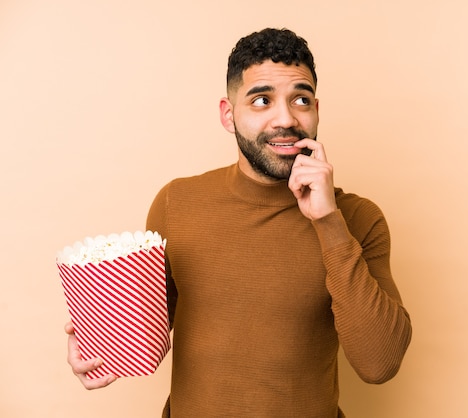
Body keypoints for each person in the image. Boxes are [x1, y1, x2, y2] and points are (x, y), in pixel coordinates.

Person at [66, 27, 412, 417]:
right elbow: (148, 330)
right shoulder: (175, 203)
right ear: (228, 116)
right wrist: (100, 351)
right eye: (261, 100)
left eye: (301, 99)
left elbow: (379, 363)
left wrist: (329, 222)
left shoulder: (358, 219)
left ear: (317, 110)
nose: (286, 118)